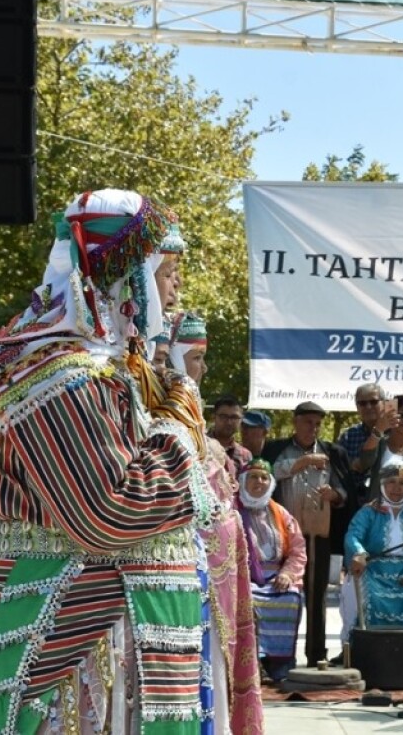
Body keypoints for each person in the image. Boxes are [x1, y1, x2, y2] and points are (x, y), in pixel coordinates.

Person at [0, 188, 222, 735]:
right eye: (168, 272)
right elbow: (111, 512)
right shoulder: (56, 374)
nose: (177, 287)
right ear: (130, 277)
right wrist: (178, 407)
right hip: (65, 643)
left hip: (98, 630)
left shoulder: (99, 367)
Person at [167, 308, 265, 732]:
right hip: (176, 584)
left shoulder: (208, 443)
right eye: (194, 358)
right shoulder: (160, 429)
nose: (203, 368)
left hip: (216, 584)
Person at [262, 400, 349, 668]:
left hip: (318, 535)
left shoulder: (332, 452)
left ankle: (316, 654)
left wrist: (334, 495)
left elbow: (344, 491)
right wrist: (303, 462)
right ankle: (277, 658)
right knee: (281, 595)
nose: (313, 428)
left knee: (317, 594)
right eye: (308, 422)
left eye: (317, 424)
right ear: (296, 421)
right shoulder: (277, 449)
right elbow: (266, 475)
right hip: (282, 537)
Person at [344, 460, 403, 636]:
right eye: (391, 482)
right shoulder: (368, 512)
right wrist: (359, 553)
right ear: (382, 484)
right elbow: (353, 535)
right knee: (372, 598)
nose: (397, 488)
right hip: (372, 571)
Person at [237, 459, 308, 683]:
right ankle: (252, 664)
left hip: (276, 576)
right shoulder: (232, 511)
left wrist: (287, 574)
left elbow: (298, 550)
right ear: (242, 481)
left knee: (291, 597)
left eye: (264, 477)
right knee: (247, 600)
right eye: (253, 477)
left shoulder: (280, 513)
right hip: (242, 577)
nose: (259, 481)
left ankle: (279, 665)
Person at [211, 395, 251, 473]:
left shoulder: (245, 455)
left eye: (234, 417)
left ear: (241, 420)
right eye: (223, 416)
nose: (229, 422)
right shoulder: (199, 446)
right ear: (214, 417)